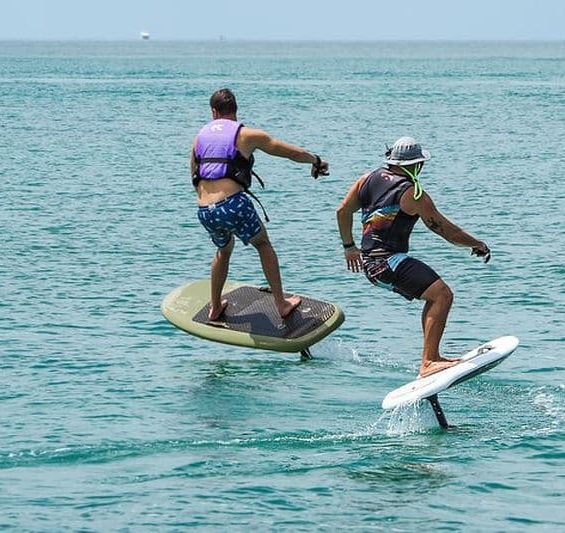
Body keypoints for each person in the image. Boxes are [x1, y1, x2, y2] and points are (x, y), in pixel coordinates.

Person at [336, 137, 491, 377]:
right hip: (387, 263)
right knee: (442, 295)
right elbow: (446, 231)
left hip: (371, 264)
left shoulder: (365, 180)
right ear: (415, 165)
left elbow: (342, 211)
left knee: (436, 295)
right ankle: (429, 361)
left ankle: (433, 357)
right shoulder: (413, 193)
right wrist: (477, 244)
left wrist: (349, 247)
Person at [191, 88, 329, 321]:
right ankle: (281, 304)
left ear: (214, 112)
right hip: (232, 204)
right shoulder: (246, 135)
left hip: (205, 210)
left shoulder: (199, 138)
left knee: (223, 251)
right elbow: (290, 153)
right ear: (234, 110)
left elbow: (194, 174)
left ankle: (215, 307)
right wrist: (315, 160)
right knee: (263, 244)